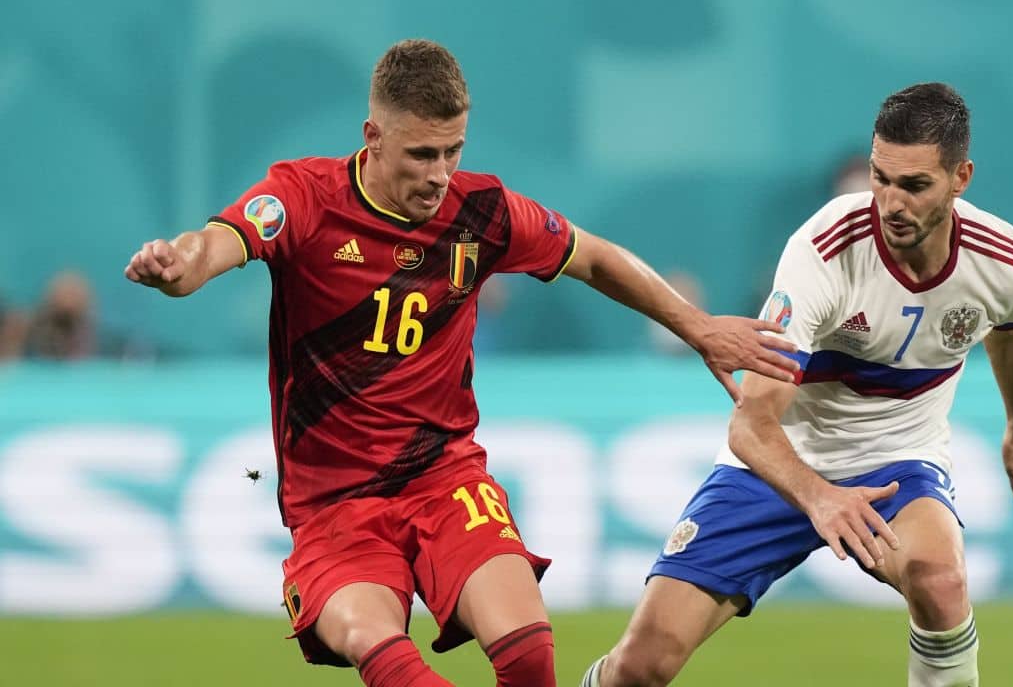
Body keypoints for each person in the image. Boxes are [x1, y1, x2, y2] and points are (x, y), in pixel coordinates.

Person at [124, 39, 797, 687]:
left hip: (444, 478)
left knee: (530, 651)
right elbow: (217, 243)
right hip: (335, 505)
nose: (438, 174)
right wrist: (179, 266)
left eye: (453, 151)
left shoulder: (480, 211)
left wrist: (700, 328)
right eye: (421, 153)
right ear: (373, 136)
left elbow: (593, 257)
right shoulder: (304, 196)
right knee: (381, 650)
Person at [582, 83, 1013, 687]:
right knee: (641, 667)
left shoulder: (1002, 262)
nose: (890, 202)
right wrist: (821, 496)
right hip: (778, 462)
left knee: (942, 581)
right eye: (880, 178)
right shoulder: (824, 251)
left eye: (914, 185)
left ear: (961, 178)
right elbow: (751, 423)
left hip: (897, 460)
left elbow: (1012, 331)